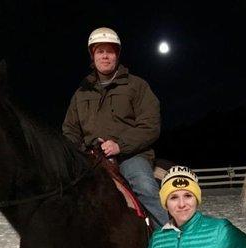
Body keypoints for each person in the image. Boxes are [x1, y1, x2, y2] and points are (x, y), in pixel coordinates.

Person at [62, 27, 168, 227]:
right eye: (100, 51)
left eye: (110, 51)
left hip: (131, 156)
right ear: (92, 56)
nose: (105, 56)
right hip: (91, 158)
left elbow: (150, 125)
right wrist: (75, 155)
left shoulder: (137, 86)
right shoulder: (81, 93)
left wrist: (120, 145)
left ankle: (170, 240)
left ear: (117, 55)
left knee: (145, 187)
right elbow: (70, 131)